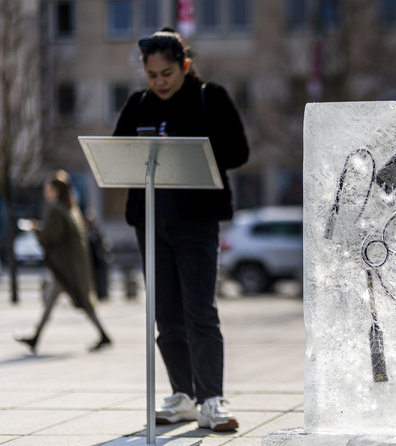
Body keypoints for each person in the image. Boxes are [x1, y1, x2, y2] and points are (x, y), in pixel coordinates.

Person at [113, 28, 249, 432]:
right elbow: (119, 153)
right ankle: (183, 395)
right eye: (152, 75)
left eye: (167, 73)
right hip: (151, 219)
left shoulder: (211, 97)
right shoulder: (138, 103)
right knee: (166, 314)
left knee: (200, 312)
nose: (160, 82)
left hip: (197, 220)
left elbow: (239, 151)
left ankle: (211, 399)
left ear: (185, 65)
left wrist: (191, 147)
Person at [14, 170, 113, 354]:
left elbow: (51, 236)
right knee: (58, 300)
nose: (45, 191)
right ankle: (36, 336)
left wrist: (35, 228)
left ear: (56, 190)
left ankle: (103, 334)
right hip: (74, 265)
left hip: (66, 267)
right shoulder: (72, 207)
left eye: (48, 188)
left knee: (80, 301)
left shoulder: (55, 210)